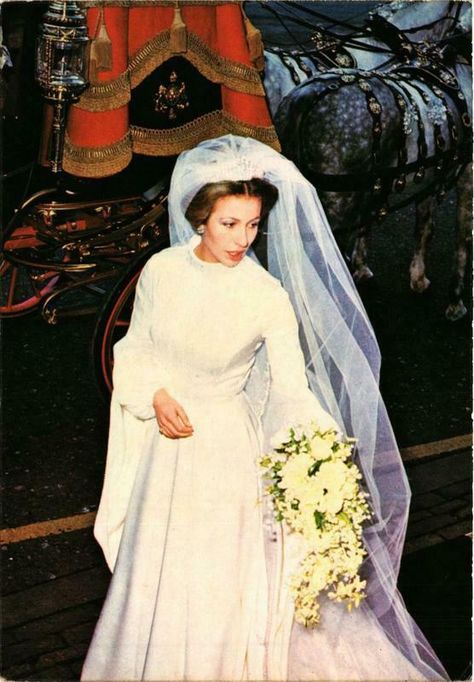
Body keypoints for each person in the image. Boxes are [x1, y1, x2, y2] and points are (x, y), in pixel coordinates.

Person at [81, 135, 448, 681]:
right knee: (161, 570)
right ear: (202, 217)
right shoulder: (163, 270)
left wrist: (317, 459)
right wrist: (155, 395)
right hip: (166, 446)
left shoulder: (266, 295)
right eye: (229, 223)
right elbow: (137, 347)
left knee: (218, 578)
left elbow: (289, 388)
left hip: (225, 449)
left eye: (252, 225)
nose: (242, 239)